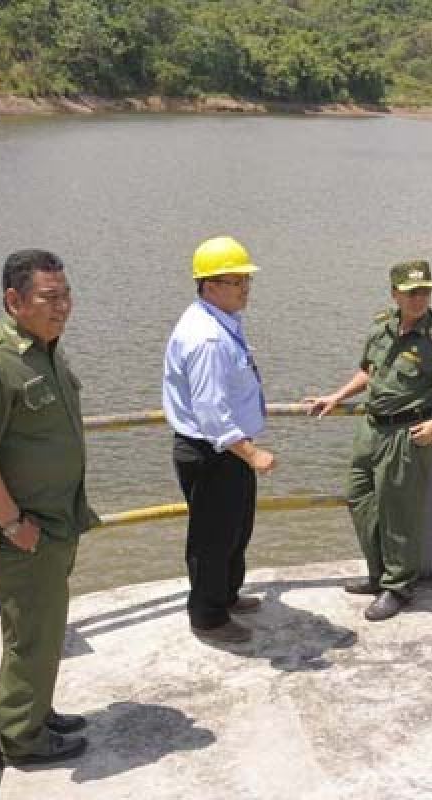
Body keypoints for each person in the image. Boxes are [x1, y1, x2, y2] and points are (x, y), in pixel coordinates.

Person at [0, 249, 98, 766]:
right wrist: (14, 524)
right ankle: (23, 739)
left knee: (37, 628)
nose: (63, 308)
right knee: (34, 632)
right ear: (14, 301)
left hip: (54, 525)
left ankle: (34, 709)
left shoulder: (44, 351)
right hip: (24, 534)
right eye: (49, 298)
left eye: (66, 296)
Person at [304, 260, 432, 622]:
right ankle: (378, 573)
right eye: (411, 292)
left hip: (406, 434)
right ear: (394, 293)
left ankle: (398, 587)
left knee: (400, 512)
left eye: (425, 291)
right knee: (359, 497)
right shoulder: (382, 325)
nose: (419, 299)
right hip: (371, 428)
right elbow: (369, 370)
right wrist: (336, 397)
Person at [162, 236, 275, 644]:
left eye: (246, 279)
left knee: (235, 528)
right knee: (213, 536)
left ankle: (226, 593)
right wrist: (252, 453)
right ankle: (208, 615)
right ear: (210, 286)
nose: (245, 288)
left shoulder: (219, 323)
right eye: (236, 281)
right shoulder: (207, 337)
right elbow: (211, 411)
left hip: (227, 451)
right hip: (215, 452)